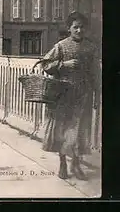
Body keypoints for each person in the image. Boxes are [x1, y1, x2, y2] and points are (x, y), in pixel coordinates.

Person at [39, 11, 100, 180]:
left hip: (83, 95)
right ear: (69, 29)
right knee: (63, 130)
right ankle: (63, 163)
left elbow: (96, 73)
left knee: (80, 130)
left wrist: (97, 94)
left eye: (82, 27)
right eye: (75, 27)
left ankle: (76, 164)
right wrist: (63, 64)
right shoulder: (61, 46)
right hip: (63, 95)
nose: (79, 30)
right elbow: (45, 64)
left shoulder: (91, 47)